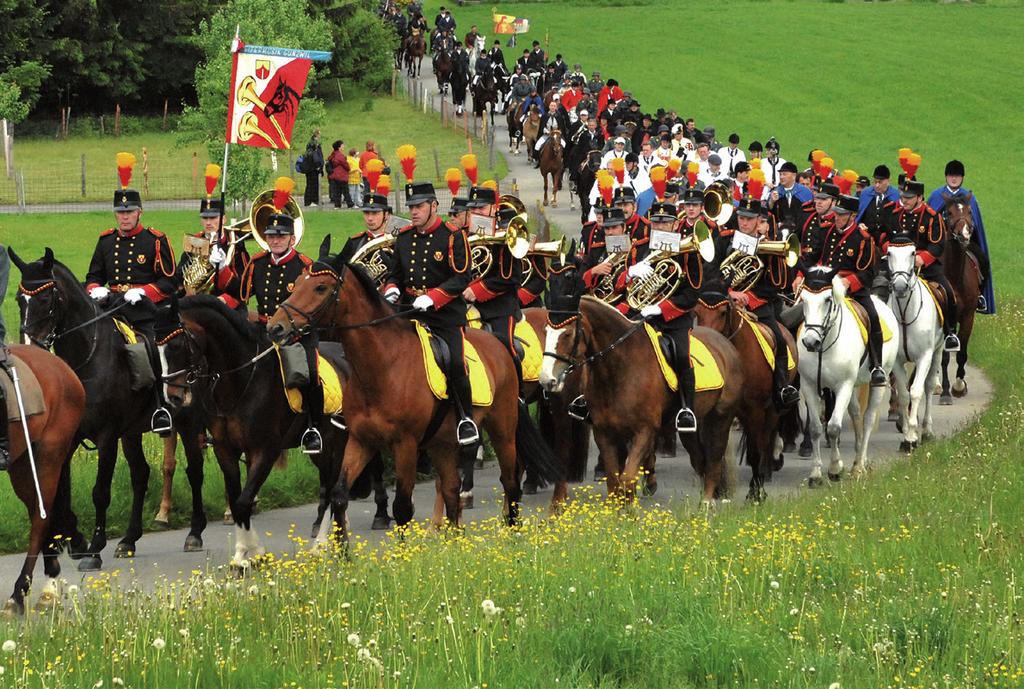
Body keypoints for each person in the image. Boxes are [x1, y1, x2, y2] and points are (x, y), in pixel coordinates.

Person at [381, 181, 478, 446]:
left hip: (444, 315)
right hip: (410, 312)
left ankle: (465, 418)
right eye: (411, 207)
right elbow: (395, 275)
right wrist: (391, 290)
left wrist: (433, 297)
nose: (414, 211)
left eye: (419, 206)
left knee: (456, 363)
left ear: (434, 206)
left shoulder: (452, 236)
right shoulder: (403, 237)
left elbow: (461, 277)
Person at [86, 157, 178, 433]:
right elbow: (93, 277)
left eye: (129, 212)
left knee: (154, 352)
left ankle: (160, 409)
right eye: (120, 212)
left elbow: (169, 281)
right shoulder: (106, 241)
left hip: (143, 314)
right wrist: (95, 290)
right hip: (109, 310)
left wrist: (144, 291)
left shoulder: (155, 240)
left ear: (140, 212)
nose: (124, 217)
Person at [240, 191, 321, 452]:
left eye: (281, 236)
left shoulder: (305, 266)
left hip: (294, 335)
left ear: (292, 238)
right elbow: (239, 296)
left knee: (310, 373)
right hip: (261, 331)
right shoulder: (257, 263)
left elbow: (314, 308)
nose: (275, 240)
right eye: (271, 236)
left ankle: (313, 427)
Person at [795, 193, 887, 386]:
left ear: (852, 216)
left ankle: (877, 365)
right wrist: (803, 276)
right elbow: (817, 258)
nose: (836, 217)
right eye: (836, 213)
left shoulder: (863, 239)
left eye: (841, 214)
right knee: (798, 313)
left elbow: (868, 272)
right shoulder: (828, 232)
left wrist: (848, 282)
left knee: (872, 316)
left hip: (854, 290)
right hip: (826, 286)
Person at [624, 201, 700, 432]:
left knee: (682, 354)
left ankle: (687, 409)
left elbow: (692, 293)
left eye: (666, 222)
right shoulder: (638, 247)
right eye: (656, 222)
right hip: (639, 315)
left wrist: (662, 308)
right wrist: (629, 273)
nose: (661, 226)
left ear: (675, 224)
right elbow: (622, 287)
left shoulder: (687, 251)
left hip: (672, 319)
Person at [721, 198, 800, 409]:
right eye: (741, 218)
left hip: (758, 303)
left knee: (779, 339)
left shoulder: (768, 245)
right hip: (727, 301)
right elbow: (716, 274)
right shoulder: (726, 240)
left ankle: (782, 387)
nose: (744, 223)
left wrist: (749, 296)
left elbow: (776, 284)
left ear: (758, 221)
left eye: (749, 219)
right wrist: (730, 292)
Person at [881, 179, 961, 352]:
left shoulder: (931, 216)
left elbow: (938, 244)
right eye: (903, 197)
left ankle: (950, 333)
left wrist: (922, 258)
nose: (905, 201)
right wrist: (892, 250)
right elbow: (883, 237)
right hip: (899, 266)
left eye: (909, 198)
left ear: (919, 198)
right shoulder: (895, 214)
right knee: (878, 289)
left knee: (948, 294)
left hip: (926, 266)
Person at [465, 203, 524, 385]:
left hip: (499, 307)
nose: (477, 213)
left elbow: (512, 278)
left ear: (493, 208)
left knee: (506, 346)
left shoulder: (506, 236)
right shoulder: (464, 236)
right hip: (464, 303)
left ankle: (518, 394)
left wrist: (477, 290)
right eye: (473, 209)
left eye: (481, 208)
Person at [174, 174, 250, 311]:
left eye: (213, 218)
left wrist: (224, 300)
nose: (208, 222)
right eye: (205, 218)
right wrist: (186, 289)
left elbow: (244, 282)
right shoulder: (195, 241)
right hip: (196, 301)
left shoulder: (234, 242)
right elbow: (181, 272)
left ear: (224, 219)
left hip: (226, 302)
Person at [927, 159, 994, 313]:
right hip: (941, 242)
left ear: (962, 178)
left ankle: (979, 295)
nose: (954, 178)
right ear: (946, 177)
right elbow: (929, 220)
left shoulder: (969, 197)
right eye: (951, 175)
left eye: (957, 176)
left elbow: (974, 222)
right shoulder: (937, 195)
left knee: (983, 260)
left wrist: (967, 231)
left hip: (964, 241)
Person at [341, 193, 394, 263]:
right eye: (366, 213)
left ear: (386, 215)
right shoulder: (354, 243)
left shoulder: (396, 244)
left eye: (375, 213)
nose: (370, 218)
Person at [768, 161, 813, 232]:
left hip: (800, 231)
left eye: (784, 174)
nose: (781, 177)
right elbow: (770, 212)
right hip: (781, 231)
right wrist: (772, 201)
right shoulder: (776, 191)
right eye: (780, 174)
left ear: (794, 176)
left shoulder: (805, 192)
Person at [327, 140, 353, 209]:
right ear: (339, 147)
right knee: (346, 191)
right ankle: (350, 204)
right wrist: (348, 168)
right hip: (341, 176)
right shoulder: (340, 155)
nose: (343, 146)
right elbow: (346, 165)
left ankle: (337, 205)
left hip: (334, 176)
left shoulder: (333, 154)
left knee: (337, 192)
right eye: (342, 145)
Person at [302, 130, 324, 207]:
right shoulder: (313, 145)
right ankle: (309, 201)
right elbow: (315, 157)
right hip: (312, 169)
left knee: (313, 185)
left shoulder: (313, 144)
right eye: (319, 135)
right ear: (316, 135)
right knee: (311, 185)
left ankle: (314, 200)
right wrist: (318, 166)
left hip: (312, 168)